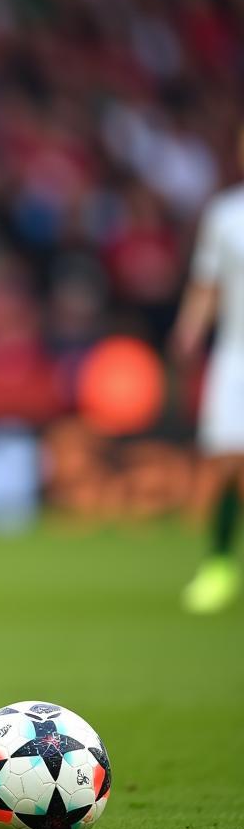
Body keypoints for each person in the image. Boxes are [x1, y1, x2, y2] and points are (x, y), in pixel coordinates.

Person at [172, 125, 244, 615]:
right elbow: (208, 285)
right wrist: (188, 333)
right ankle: (220, 565)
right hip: (236, 356)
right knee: (225, 460)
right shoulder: (226, 215)